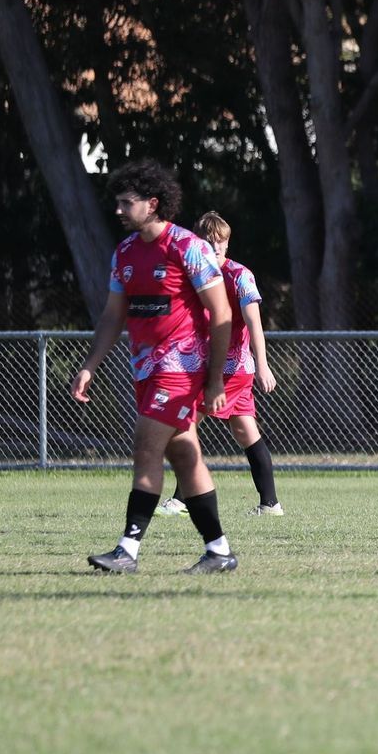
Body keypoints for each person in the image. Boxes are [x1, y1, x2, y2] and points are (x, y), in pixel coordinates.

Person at [71, 160, 239, 574]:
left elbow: (221, 315)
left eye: (127, 203)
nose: (119, 211)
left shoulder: (189, 248)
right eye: (118, 203)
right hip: (145, 371)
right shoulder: (125, 252)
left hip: (182, 369)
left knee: (146, 446)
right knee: (185, 456)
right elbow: (113, 316)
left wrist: (215, 378)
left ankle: (127, 549)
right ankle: (219, 552)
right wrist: (90, 364)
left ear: (153, 204)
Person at [157, 211, 282, 517]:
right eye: (208, 241)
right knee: (245, 432)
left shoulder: (239, 275)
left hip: (231, 369)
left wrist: (263, 365)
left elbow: (254, 324)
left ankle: (181, 500)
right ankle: (271, 504)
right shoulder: (194, 276)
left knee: (184, 426)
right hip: (207, 365)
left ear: (227, 243)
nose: (214, 247)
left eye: (220, 241)